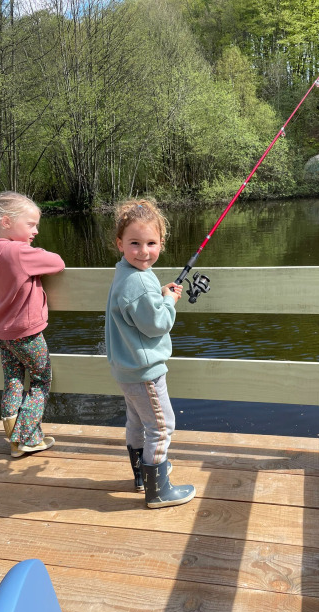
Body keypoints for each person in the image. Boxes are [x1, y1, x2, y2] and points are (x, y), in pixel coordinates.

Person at [105, 199, 195, 508]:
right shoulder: (141, 281)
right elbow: (157, 325)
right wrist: (169, 302)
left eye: (151, 243)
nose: (144, 251)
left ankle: (142, 475)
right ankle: (158, 491)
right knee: (161, 425)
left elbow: (137, 309)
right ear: (120, 243)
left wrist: (159, 294)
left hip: (125, 369)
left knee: (137, 421)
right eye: (135, 243)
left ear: (161, 244)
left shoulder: (125, 274)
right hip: (144, 371)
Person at [0, 192, 65, 457]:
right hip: (26, 333)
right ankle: (27, 437)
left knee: (14, 380)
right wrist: (32, 251)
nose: (36, 231)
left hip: (2, 332)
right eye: (30, 224)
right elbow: (57, 263)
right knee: (41, 379)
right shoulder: (18, 251)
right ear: (6, 221)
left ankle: (14, 440)